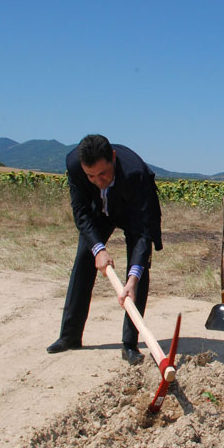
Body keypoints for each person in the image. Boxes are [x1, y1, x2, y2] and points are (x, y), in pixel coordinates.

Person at [47, 134, 163, 364]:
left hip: (133, 215)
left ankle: (129, 344)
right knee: (85, 257)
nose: (98, 181)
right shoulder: (74, 165)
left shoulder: (136, 174)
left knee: (138, 274)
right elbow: (81, 212)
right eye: (91, 176)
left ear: (113, 157)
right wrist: (99, 249)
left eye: (103, 174)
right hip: (99, 211)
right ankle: (70, 336)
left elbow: (143, 233)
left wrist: (132, 279)